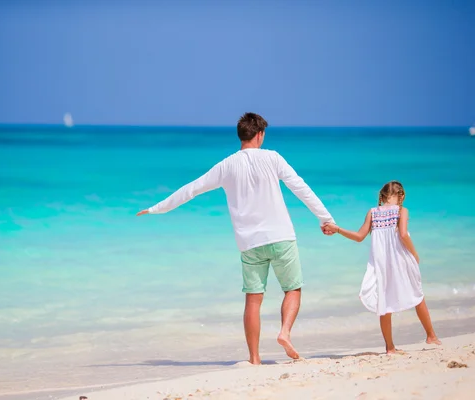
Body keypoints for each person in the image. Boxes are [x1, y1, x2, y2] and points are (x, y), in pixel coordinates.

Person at [136, 112, 335, 363]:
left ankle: (254, 359)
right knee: (292, 289)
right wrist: (325, 218)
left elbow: (191, 190)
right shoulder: (273, 158)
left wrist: (157, 208)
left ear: (241, 135)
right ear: (260, 134)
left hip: (250, 243)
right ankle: (284, 332)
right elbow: (301, 188)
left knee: (253, 299)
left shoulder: (226, 166)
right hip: (281, 236)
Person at [323, 181, 442, 354]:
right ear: (401, 196)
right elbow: (403, 235)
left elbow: (358, 237)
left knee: (383, 302)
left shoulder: (372, 212)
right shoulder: (402, 211)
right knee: (417, 294)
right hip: (401, 259)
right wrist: (414, 254)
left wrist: (337, 229)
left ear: (382, 196)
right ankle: (431, 336)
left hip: (381, 263)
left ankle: (390, 347)